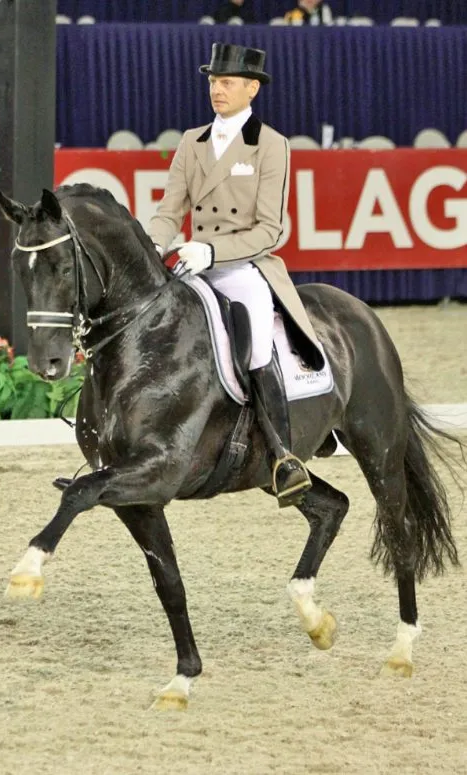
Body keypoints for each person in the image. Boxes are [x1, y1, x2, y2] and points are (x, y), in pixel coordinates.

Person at [148, 42, 324, 506]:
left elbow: (270, 230)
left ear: (252, 89)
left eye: (226, 82)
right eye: (213, 82)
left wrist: (212, 250)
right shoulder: (192, 141)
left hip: (243, 266)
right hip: (193, 263)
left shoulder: (271, 145)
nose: (217, 90)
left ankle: (283, 455)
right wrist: (153, 244)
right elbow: (170, 210)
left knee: (255, 343)